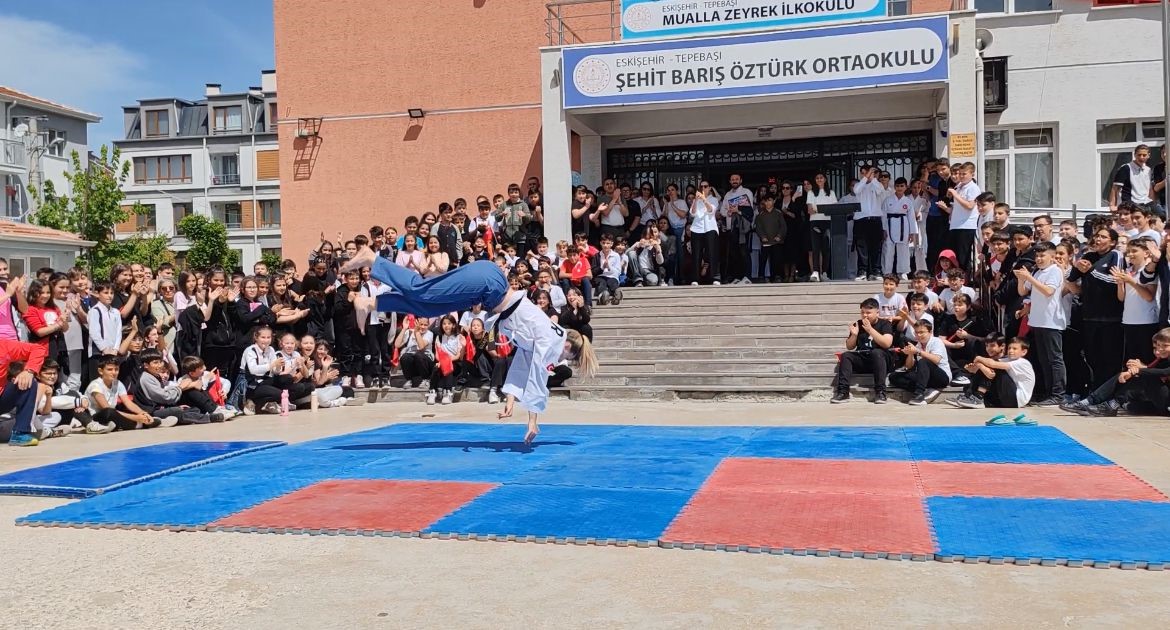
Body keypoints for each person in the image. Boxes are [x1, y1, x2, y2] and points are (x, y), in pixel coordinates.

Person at [343, 247, 597, 444]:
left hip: (486, 290)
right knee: (423, 290)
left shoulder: (550, 337)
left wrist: (510, 399)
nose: (558, 363)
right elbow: (537, 378)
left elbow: (523, 366)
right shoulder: (552, 341)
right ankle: (373, 259)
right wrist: (532, 420)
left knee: (427, 306)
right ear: (568, 349)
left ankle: (372, 304)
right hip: (488, 283)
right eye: (568, 359)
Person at [1062, 327, 1170, 417]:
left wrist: (1138, 370)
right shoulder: (1163, 359)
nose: (1160, 349)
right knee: (1132, 406)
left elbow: (1164, 372)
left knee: (1143, 376)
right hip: (1162, 401)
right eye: (1158, 346)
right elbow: (1154, 370)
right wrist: (1137, 369)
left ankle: (1108, 404)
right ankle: (1092, 402)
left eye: (1165, 346)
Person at [1014, 241, 1067, 406]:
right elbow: (1023, 291)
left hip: (1051, 322)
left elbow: (1048, 291)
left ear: (1052, 257)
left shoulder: (1055, 271)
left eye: (1042, 255)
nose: (1038, 259)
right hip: (1037, 321)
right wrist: (1021, 279)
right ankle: (1047, 392)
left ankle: (1058, 394)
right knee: (1044, 359)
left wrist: (1029, 277)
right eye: (1037, 255)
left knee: (1055, 359)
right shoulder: (1037, 272)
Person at [86, 355, 178, 430]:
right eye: (110, 369)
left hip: (115, 416)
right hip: (97, 417)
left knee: (128, 411)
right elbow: (105, 408)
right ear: (100, 371)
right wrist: (135, 417)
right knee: (109, 412)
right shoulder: (96, 385)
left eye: (116, 369)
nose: (114, 372)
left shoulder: (117, 383)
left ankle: (148, 421)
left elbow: (128, 403)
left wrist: (143, 413)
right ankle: (147, 423)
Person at [830, 298, 895, 404]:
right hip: (864, 358)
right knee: (846, 355)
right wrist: (854, 335)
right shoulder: (858, 324)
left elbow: (887, 343)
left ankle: (880, 392)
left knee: (877, 352)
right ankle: (843, 392)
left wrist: (870, 330)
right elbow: (849, 346)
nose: (865, 315)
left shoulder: (885, 324)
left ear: (877, 312)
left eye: (868, 313)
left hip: (881, 359)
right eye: (862, 312)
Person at [949, 337, 1036, 412]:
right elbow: (987, 366)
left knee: (992, 366)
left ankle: (978, 397)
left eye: (1014, 349)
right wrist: (975, 368)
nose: (1010, 351)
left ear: (1024, 352)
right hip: (1006, 396)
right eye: (1009, 348)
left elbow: (992, 364)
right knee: (986, 366)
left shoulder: (1023, 362)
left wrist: (978, 360)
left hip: (1016, 399)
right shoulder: (1008, 360)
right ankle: (969, 396)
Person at [889, 320, 949, 405]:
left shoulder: (936, 341)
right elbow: (909, 367)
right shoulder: (918, 345)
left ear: (930, 332)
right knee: (893, 377)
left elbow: (936, 360)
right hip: (925, 378)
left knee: (923, 361)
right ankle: (926, 390)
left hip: (941, 377)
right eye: (916, 332)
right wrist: (910, 354)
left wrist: (917, 351)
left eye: (921, 332)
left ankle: (919, 394)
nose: (918, 335)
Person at [0, 338, 48, 446]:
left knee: (29, 382)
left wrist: (29, 370)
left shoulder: (4, 345)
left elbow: (38, 349)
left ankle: (20, 433)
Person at [881, 177, 918, 278]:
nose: (899, 188)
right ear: (894, 187)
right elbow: (883, 215)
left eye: (902, 186)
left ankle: (903, 271)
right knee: (888, 249)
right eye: (897, 186)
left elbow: (911, 218)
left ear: (906, 187)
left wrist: (912, 232)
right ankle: (887, 272)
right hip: (890, 225)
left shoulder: (908, 201)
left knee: (903, 249)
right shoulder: (888, 200)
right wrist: (883, 229)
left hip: (904, 225)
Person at [690, 180, 721, 285]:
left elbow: (711, 210)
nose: (703, 188)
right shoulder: (697, 199)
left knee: (712, 253)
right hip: (697, 228)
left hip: (710, 228)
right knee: (696, 254)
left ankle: (715, 277)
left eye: (705, 186)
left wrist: (704, 200)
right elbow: (692, 213)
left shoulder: (714, 199)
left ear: (709, 188)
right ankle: (695, 278)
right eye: (701, 186)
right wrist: (695, 200)